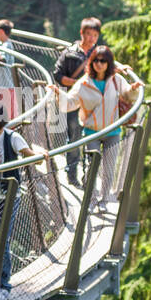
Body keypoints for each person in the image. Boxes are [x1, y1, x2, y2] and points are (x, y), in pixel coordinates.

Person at [0, 101, 48, 300]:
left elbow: (32, 158)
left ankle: (3, 287)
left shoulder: (12, 137)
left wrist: (41, 156)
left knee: (0, 240)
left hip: (8, 196)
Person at [52, 44, 143, 210]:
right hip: (92, 131)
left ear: (109, 63)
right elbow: (71, 103)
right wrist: (59, 94)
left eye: (103, 61)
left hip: (113, 130)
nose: (99, 64)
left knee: (108, 169)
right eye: (96, 61)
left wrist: (134, 89)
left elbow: (127, 96)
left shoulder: (116, 79)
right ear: (92, 62)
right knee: (92, 167)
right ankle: (92, 199)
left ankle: (103, 201)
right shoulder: (84, 82)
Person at [51, 18, 104, 185]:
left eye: (95, 35)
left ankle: (88, 176)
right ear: (82, 33)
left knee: (91, 138)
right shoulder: (70, 53)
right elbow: (58, 75)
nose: (91, 39)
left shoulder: (100, 56)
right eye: (88, 34)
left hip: (94, 104)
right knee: (74, 137)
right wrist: (79, 84)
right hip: (74, 101)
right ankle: (72, 174)